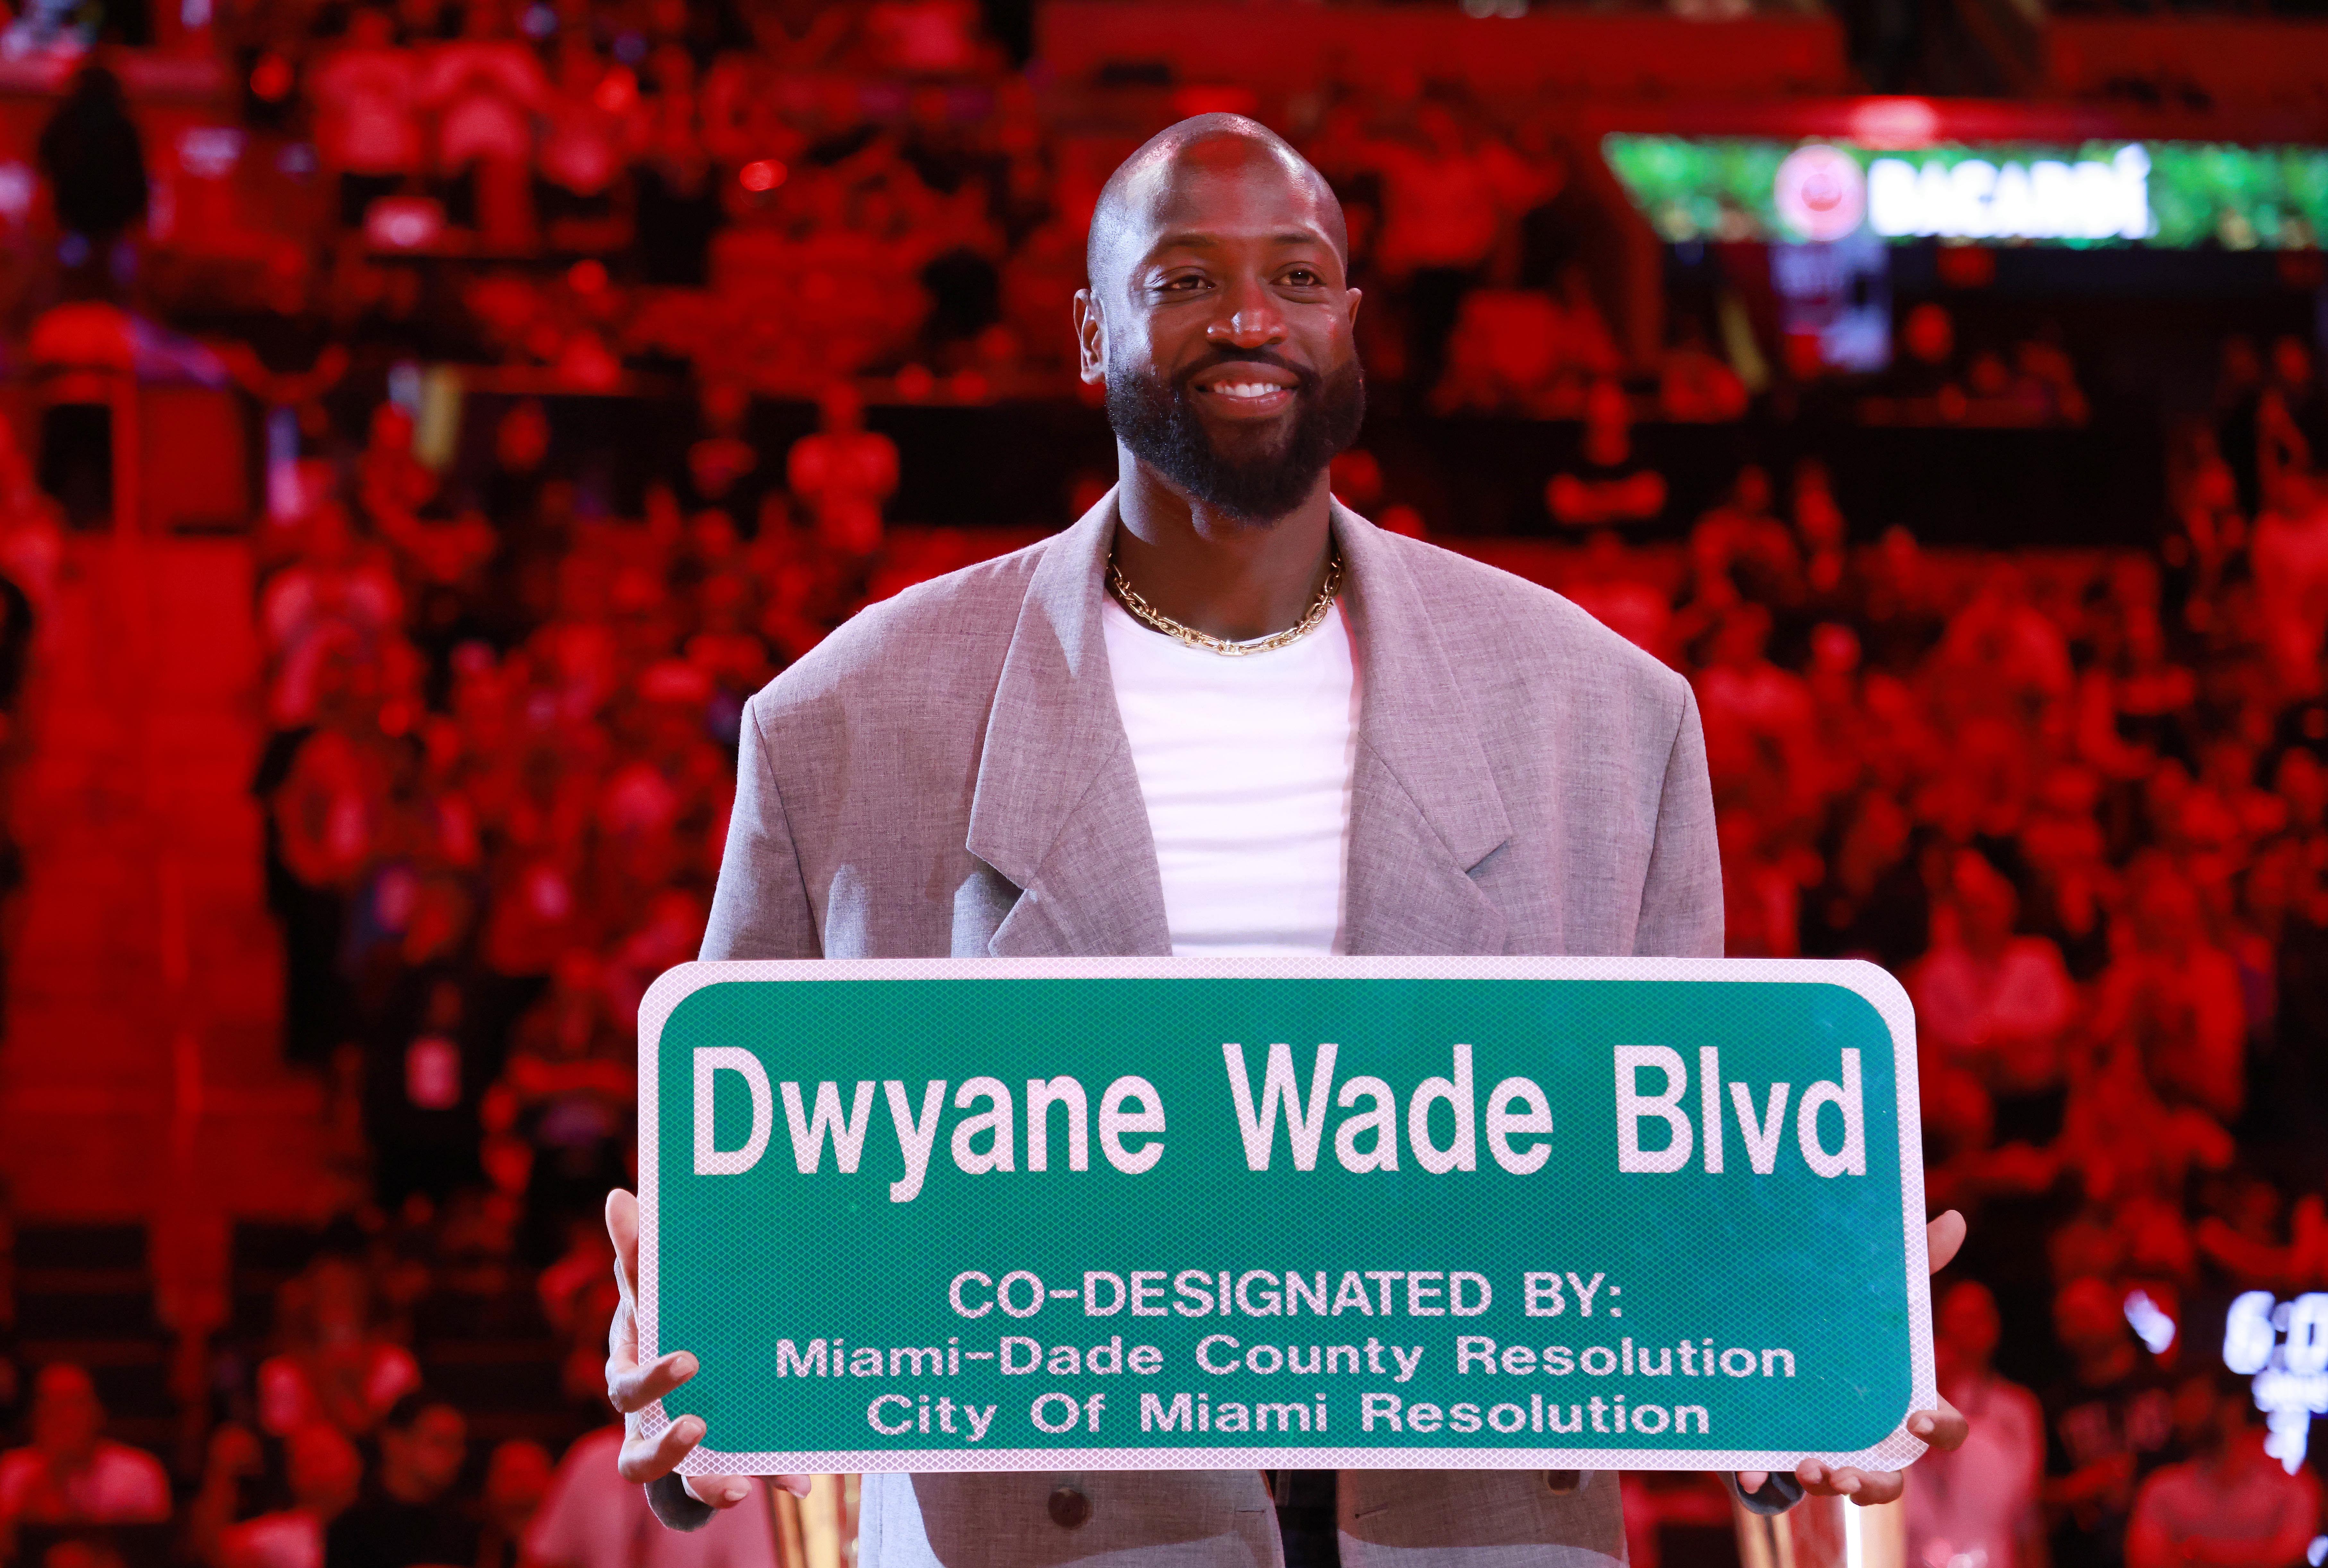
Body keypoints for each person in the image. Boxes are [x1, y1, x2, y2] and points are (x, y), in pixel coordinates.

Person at [602, 113, 1968, 1564]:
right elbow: (740, 1275)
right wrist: (682, 1401)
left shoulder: (1609, 718)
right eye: (1183, 279)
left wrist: (1808, 1358)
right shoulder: (844, 722)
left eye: (1297, 277)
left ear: (1352, 322)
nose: (1250, 317)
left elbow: (1660, 1260)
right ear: (1087, 333)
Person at [1907, 1281, 2046, 1568]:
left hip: (1992, 1553)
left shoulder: (2017, 1407)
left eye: (1977, 1318)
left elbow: (2024, 1506)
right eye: (1958, 1319)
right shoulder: (1913, 1405)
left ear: (1994, 1326)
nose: (1967, 1330)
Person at [2125, 1372, 2321, 1568]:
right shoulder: (2162, 1489)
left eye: (2194, 1398)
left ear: (2233, 1408)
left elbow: (2291, 1559)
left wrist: (2193, 1557)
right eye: (2179, 1398)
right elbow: (2145, 1561)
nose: (2181, 1409)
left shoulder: (2289, 1489)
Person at [0, 1364, 170, 1534]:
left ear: (98, 1411)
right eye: (51, 1404)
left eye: (74, 1403)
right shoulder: (13, 1471)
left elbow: (150, 1550)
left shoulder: (139, 1473)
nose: (64, 1416)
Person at [322, 1390, 477, 1568]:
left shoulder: (464, 1526)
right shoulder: (352, 1527)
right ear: (395, 1442)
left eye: (458, 1444)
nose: (456, 1456)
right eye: (439, 1442)